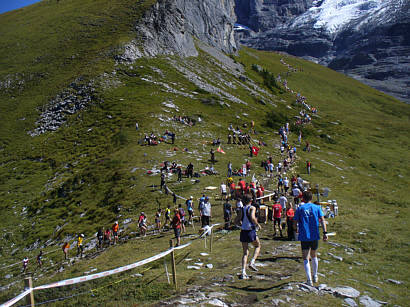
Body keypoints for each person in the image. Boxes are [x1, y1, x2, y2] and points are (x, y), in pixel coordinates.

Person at [294, 191, 328, 286]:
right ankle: (315, 275)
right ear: (311, 198)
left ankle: (309, 280)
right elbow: (322, 220)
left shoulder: (300, 208)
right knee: (314, 255)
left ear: (303, 199)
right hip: (314, 234)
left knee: (305, 257)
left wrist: (295, 229)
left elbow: (295, 221)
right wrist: (325, 233)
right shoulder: (317, 207)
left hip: (304, 235)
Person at [235, 194, 261, 279]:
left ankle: (243, 271)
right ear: (251, 201)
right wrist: (258, 224)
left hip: (243, 231)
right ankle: (252, 262)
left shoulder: (241, 209)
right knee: (257, 246)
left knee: (245, 252)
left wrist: (240, 224)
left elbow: (236, 220)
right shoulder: (252, 208)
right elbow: (253, 218)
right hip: (250, 230)